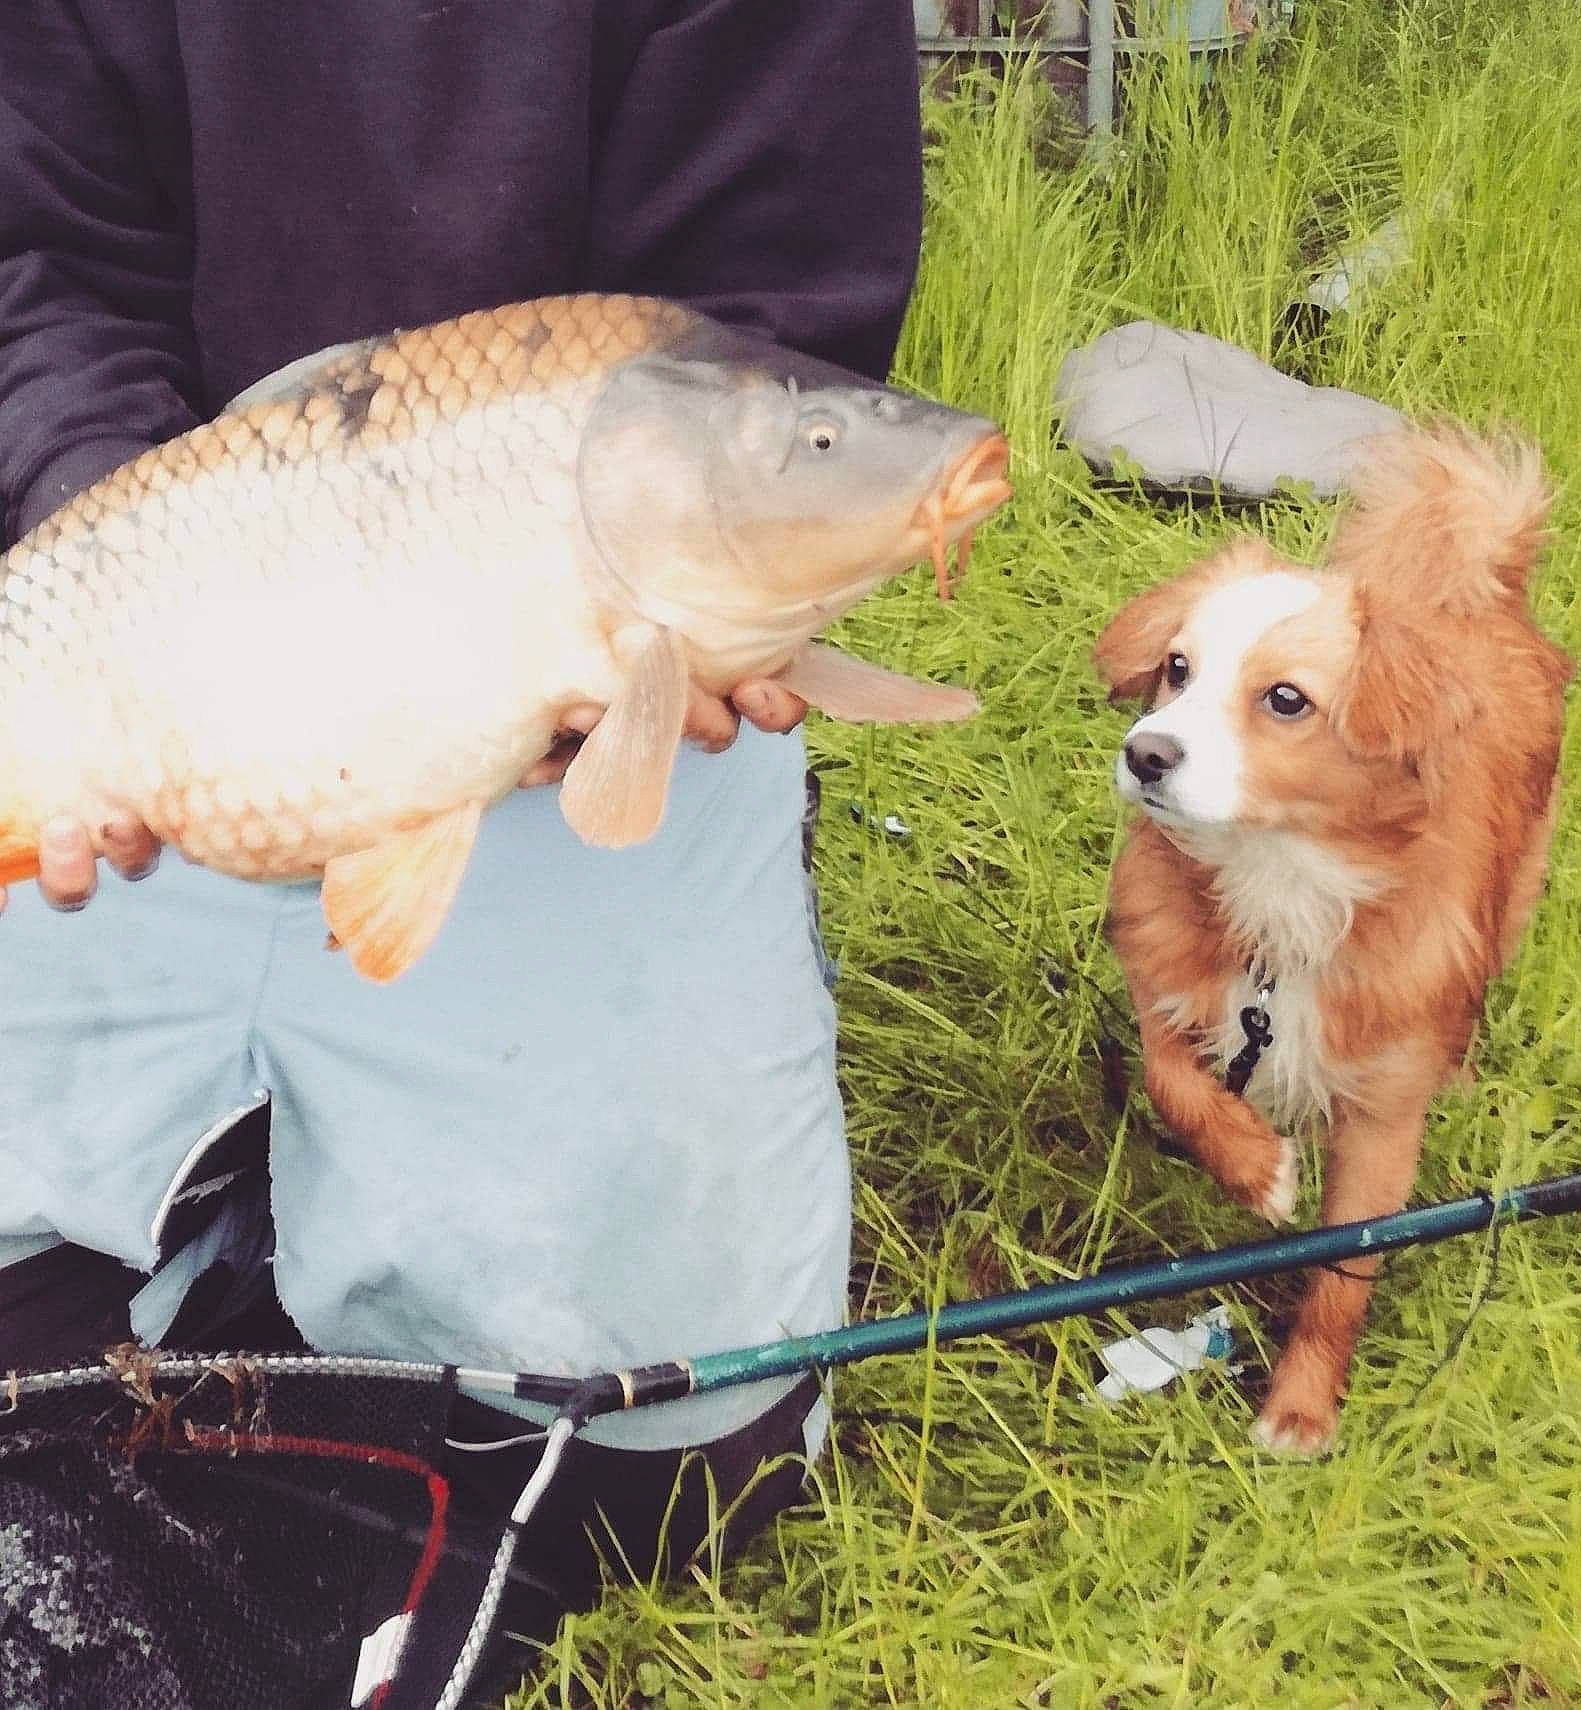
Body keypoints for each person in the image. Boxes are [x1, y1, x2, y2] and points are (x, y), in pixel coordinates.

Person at [0, 1, 925, 1699]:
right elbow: (43, 251)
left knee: (665, 1460)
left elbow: (779, 338)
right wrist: (122, 573)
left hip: (584, 650)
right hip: (173, 580)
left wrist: (643, 649)